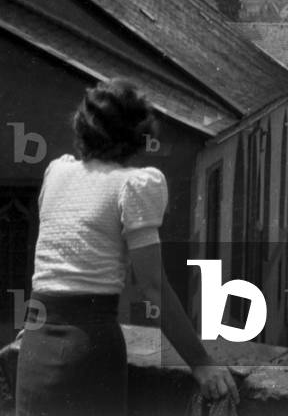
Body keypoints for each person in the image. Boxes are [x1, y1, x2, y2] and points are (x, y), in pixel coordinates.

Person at [15, 78, 239, 416]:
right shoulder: (135, 186)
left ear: (82, 127)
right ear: (137, 135)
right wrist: (201, 362)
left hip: (35, 347)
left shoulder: (56, 173)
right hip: (88, 351)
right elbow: (152, 287)